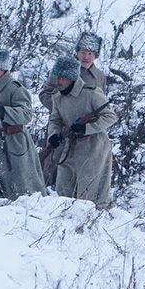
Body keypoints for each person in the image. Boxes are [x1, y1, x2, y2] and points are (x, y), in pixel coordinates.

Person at [45, 56, 116, 207]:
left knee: (90, 193)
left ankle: (94, 223)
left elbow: (110, 116)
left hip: (94, 148)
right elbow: (55, 120)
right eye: (56, 77)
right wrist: (53, 135)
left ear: (71, 78)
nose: (58, 82)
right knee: (63, 191)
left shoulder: (92, 93)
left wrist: (86, 128)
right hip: (69, 147)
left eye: (62, 78)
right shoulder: (57, 97)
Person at [0, 46, 45, 200]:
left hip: (11, 141)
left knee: (18, 180)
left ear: (1, 69)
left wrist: (6, 112)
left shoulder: (15, 89)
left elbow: (26, 114)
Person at [39, 31, 107, 112]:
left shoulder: (100, 76)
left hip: (88, 124)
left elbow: (103, 104)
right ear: (77, 52)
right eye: (83, 52)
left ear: (95, 56)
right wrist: (63, 109)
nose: (86, 57)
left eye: (90, 54)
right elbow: (45, 95)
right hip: (61, 122)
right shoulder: (63, 67)